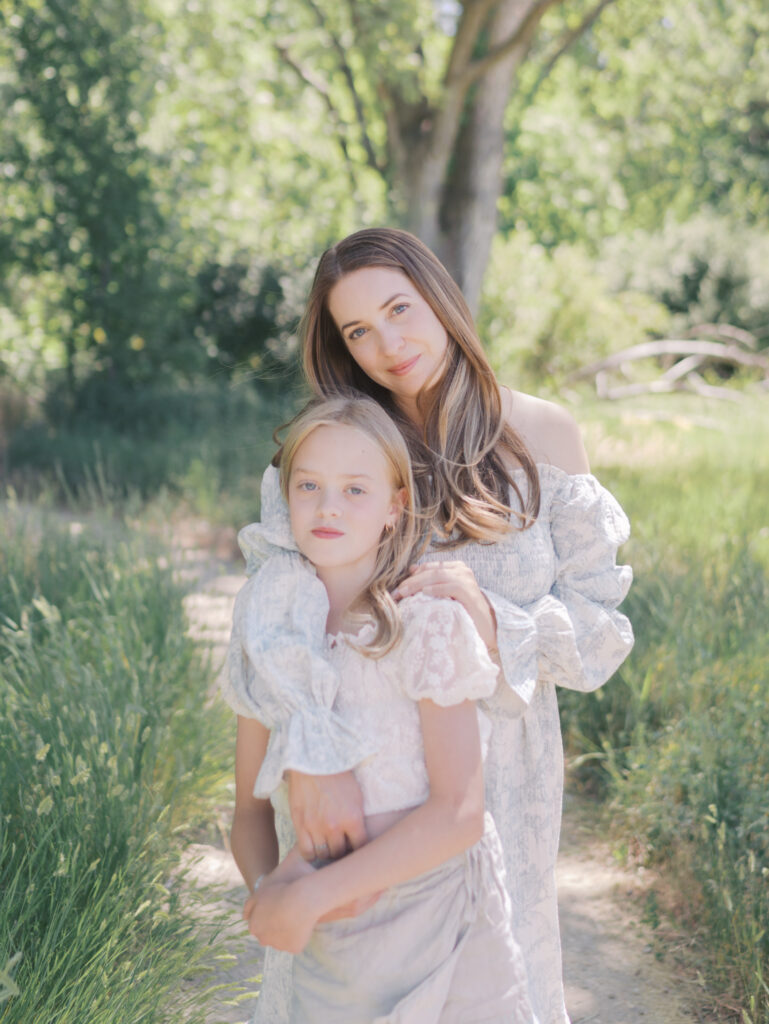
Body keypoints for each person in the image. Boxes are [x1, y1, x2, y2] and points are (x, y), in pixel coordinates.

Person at [224, 227, 634, 1024]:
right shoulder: (333, 451)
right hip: (357, 769)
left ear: (440, 298)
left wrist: (492, 619)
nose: (388, 343)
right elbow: (276, 610)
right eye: (357, 330)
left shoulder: (542, 436)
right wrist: (312, 752)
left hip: (498, 778)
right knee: (343, 984)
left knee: (489, 986)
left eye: (398, 309)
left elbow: (598, 636)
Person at [226, 394, 538, 1023]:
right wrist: (274, 898)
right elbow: (248, 808)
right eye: (309, 485)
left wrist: (314, 893)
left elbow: (459, 813)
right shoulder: (272, 640)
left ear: (396, 508)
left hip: (444, 912)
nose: (329, 506)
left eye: (356, 489)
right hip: (338, 943)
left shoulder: (424, 627)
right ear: (286, 499)